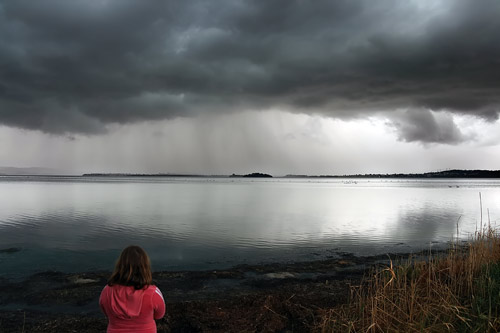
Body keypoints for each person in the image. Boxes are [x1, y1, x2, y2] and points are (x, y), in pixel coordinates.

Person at [99, 245, 165, 333]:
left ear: (120, 265)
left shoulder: (107, 291)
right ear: (145, 267)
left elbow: (106, 312)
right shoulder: (153, 293)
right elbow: (159, 315)